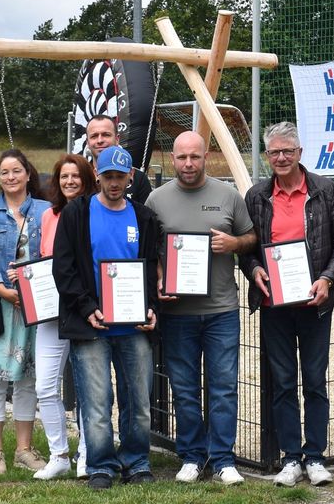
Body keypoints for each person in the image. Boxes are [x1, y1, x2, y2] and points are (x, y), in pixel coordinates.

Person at [240, 121, 334, 487]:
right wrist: (255, 268)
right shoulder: (257, 196)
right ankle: (291, 458)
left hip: (315, 302)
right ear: (266, 156)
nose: (281, 158)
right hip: (275, 304)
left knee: (316, 381)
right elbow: (248, 247)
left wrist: (328, 278)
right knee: (283, 382)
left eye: (288, 151)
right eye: (274, 152)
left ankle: (316, 455)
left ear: (300, 153)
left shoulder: (325, 190)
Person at [145, 131, 256, 485]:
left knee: (223, 387)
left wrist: (235, 242)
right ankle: (192, 456)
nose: (188, 164)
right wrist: (160, 273)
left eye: (194, 157)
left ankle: (223, 459)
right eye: (181, 158)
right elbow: (149, 252)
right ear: (172, 158)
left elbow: (252, 237)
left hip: (221, 310)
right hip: (178, 314)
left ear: (206, 156)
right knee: (184, 388)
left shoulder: (228, 195)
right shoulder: (156, 200)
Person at [52, 145, 160, 490]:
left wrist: (152, 308)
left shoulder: (143, 217)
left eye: (120, 176)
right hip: (92, 324)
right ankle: (101, 465)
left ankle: (136, 460)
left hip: (133, 325)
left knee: (139, 401)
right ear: (97, 175)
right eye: (108, 176)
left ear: (130, 177)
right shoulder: (76, 214)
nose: (114, 183)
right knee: (96, 401)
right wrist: (86, 308)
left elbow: (152, 272)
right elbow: (63, 269)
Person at [0, 149, 50, 475]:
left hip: (36, 306)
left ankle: (23, 449)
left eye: (16, 170)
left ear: (28, 174)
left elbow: (52, 253)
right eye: (4, 172)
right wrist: (3, 289)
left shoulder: (46, 211)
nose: (11, 177)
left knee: (28, 379)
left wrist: (34, 290)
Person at [19, 153, 97, 481]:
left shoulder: (97, 212)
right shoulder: (49, 216)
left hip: (83, 312)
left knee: (88, 389)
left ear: (86, 179)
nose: (69, 182)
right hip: (52, 314)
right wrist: (24, 277)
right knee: (45, 386)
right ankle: (59, 454)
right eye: (63, 176)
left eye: (75, 176)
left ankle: (87, 454)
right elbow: (42, 260)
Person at [83, 114, 152, 203]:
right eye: (94, 136)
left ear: (117, 139)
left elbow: (145, 215)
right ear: (87, 142)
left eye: (106, 135)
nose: (100, 140)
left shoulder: (138, 178)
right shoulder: (79, 176)